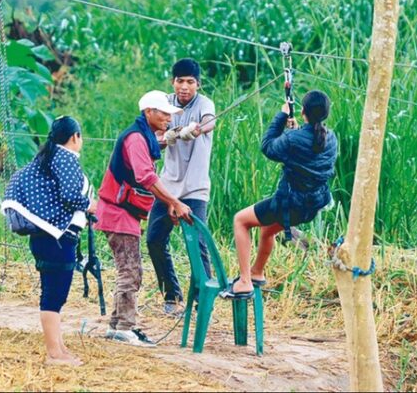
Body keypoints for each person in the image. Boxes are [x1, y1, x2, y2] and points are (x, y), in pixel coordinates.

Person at [94, 90, 192, 347]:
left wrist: (169, 138)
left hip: (122, 212)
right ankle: (125, 327)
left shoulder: (142, 135)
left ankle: (118, 325)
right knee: (130, 270)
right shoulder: (136, 139)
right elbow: (146, 177)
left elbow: (153, 148)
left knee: (131, 269)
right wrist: (174, 201)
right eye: (164, 114)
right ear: (149, 112)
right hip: (118, 213)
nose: (168, 119)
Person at [223, 90, 338, 299]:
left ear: (303, 112)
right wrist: (295, 133)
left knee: (240, 220)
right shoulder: (331, 138)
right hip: (312, 206)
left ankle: (245, 281)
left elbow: (267, 147)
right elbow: (306, 149)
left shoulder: (294, 139)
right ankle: (257, 272)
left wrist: (282, 116)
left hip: (289, 205)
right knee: (267, 230)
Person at [3, 116, 92, 365]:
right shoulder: (66, 158)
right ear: (75, 137)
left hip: (45, 237)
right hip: (56, 238)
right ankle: (54, 354)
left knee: (54, 293)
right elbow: (71, 195)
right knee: (54, 295)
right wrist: (90, 205)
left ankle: (59, 349)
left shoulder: (47, 158)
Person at [148, 58, 217, 316]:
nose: (184, 87)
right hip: (167, 186)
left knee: (198, 244)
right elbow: (151, 135)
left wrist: (195, 130)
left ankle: (203, 300)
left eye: (190, 82)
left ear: (197, 84)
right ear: (172, 82)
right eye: (180, 81)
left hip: (195, 188)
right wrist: (166, 137)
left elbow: (211, 122)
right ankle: (171, 296)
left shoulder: (204, 104)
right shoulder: (166, 104)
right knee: (154, 239)